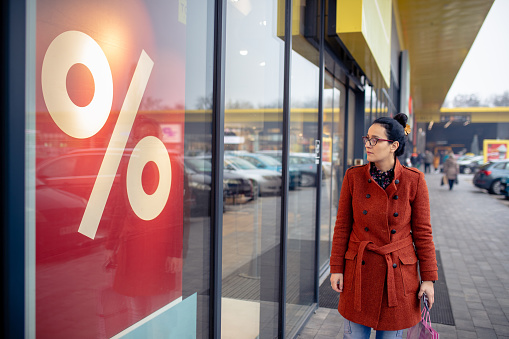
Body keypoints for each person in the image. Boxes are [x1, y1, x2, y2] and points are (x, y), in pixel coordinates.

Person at [330, 113, 438, 338]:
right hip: (359, 271)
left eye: (375, 140)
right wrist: (336, 269)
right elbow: (342, 227)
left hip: (397, 277)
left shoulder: (413, 180)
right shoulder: (353, 177)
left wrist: (428, 278)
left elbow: (423, 233)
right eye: (367, 139)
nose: (368, 145)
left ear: (393, 146)